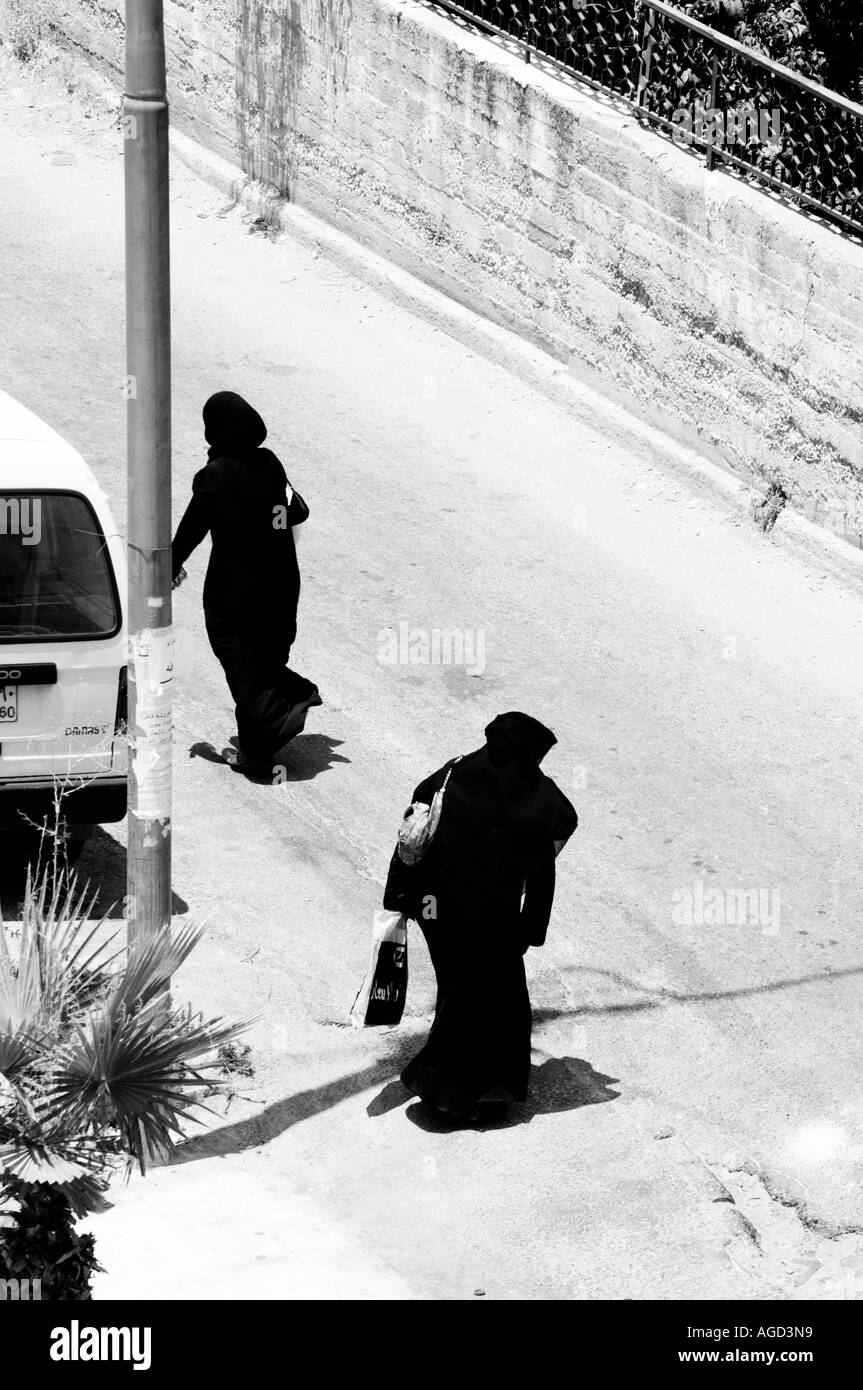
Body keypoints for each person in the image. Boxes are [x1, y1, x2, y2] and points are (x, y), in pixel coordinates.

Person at [383, 712, 578, 1121]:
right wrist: (531, 929)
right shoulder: (536, 796)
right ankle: (458, 1092)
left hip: (435, 909)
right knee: (494, 1003)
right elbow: (550, 851)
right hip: (491, 921)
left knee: (460, 993)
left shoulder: (454, 773)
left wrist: (402, 896)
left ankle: (463, 1089)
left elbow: (416, 819)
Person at [171, 391, 320, 772]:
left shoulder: (215, 476)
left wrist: (169, 565)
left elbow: (192, 529)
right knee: (264, 657)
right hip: (282, 584)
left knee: (240, 662)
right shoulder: (270, 463)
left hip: (236, 591)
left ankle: (291, 697)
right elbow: (295, 510)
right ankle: (258, 754)